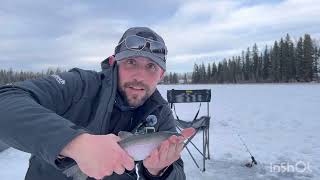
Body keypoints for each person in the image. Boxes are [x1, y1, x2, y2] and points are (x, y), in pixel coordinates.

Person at [0, 27, 195, 180]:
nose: (139, 76)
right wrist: (74, 143)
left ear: (161, 75)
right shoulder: (81, 84)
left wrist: (159, 172)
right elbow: (6, 99)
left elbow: (177, 174)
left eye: (151, 66)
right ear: (113, 63)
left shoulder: (160, 112)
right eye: (131, 62)